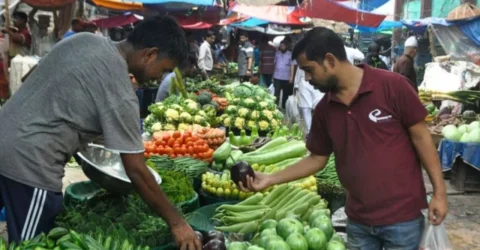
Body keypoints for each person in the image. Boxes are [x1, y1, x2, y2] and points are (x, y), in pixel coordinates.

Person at [0, 15, 202, 250]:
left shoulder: (84, 39)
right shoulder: (121, 91)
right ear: (150, 54)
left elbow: (30, 77)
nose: (160, 77)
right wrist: (177, 222)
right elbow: (136, 170)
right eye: (164, 69)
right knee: (33, 245)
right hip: (30, 165)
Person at [239, 27, 448, 250]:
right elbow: (316, 159)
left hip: (402, 219)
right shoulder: (324, 109)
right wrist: (270, 178)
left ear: (329, 60)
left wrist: (439, 193)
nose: (307, 79)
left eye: (309, 70)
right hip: (358, 221)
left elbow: (422, 139)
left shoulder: (392, 86)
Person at [294, 67, 324, 137]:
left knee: (318, 106)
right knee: (305, 108)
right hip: (303, 81)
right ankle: (309, 131)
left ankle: (318, 130)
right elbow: (300, 68)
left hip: (318, 81)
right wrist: (296, 84)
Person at [273, 40, 294, 109]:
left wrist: (291, 77)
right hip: (277, 76)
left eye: (283, 46)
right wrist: (273, 75)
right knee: (276, 94)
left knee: (286, 94)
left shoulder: (290, 54)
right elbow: (275, 64)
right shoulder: (277, 53)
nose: (282, 47)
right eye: (281, 46)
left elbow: (292, 66)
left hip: (286, 78)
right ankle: (275, 107)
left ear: (286, 46)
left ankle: (284, 107)